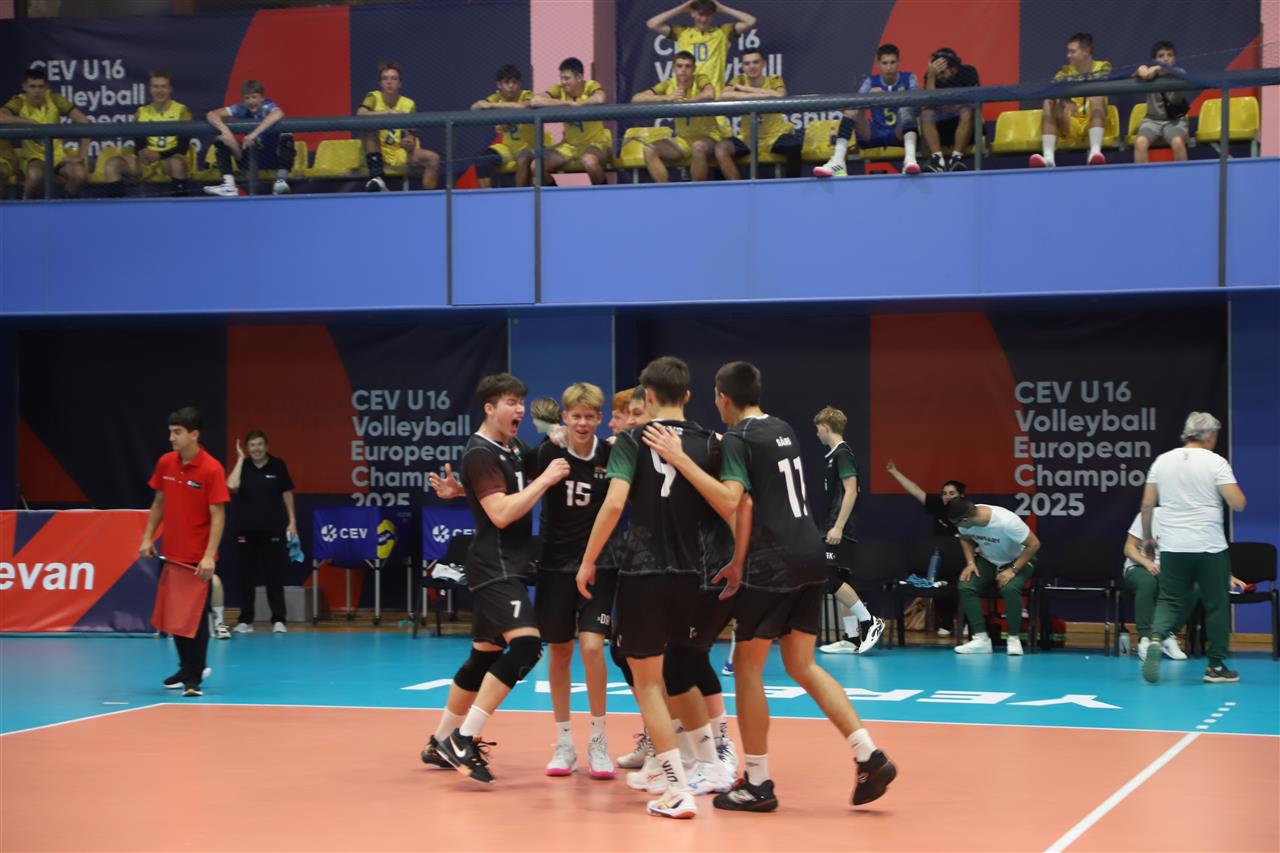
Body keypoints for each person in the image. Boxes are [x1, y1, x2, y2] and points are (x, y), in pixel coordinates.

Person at [644, 362, 897, 813]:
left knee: (746, 667)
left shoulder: (738, 438)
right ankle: (868, 754)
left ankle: (758, 782)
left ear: (723, 397)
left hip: (774, 561)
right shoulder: (782, 428)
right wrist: (739, 561)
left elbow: (732, 500)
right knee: (802, 665)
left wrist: (680, 457)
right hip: (809, 553)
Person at [576, 356, 734, 819]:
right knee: (682, 671)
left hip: (645, 573)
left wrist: (587, 560)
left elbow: (614, 504)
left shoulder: (631, 440)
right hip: (694, 574)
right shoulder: (710, 442)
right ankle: (710, 765)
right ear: (687, 395)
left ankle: (676, 788)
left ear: (646, 397)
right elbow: (730, 505)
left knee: (648, 683)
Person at [419, 373, 570, 784]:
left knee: (484, 657)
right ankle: (464, 739)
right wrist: (546, 479)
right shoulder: (479, 453)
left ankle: (439, 741)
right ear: (489, 408)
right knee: (527, 646)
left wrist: (555, 437)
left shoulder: (513, 447)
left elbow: (514, 477)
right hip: (495, 565)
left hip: (508, 563)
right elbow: (501, 513)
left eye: (520, 402)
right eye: (509, 402)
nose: (519, 409)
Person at [531, 383, 617, 779]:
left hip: (599, 565)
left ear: (599, 418)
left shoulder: (611, 454)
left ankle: (598, 740)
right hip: (554, 566)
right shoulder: (548, 452)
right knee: (560, 651)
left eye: (589, 416)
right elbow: (511, 481)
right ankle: (564, 742)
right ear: (565, 417)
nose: (582, 423)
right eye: (576, 416)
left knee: (593, 646)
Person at [1140, 412, 1247, 685]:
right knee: (1216, 604)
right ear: (1209, 436)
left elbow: (1147, 504)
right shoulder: (1216, 462)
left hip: (1173, 546)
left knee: (1169, 599)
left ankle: (1155, 638)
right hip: (1209, 546)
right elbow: (1238, 503)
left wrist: (1149, 538)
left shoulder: (1162, 461)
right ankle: (1215, 667)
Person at [138, 407, 230, 697]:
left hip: (197, 558)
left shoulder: (211, 469)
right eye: (171, 432)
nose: (172, 437)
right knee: (175, 616)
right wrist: (147, 537)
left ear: (194, 434)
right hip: (171, 554)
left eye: (177, 432)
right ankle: (185, 668)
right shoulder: (166, 463)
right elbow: (159, 503)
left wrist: (209, 555)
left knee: (195, 620)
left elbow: (218, 515)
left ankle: (194, 678)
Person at [812, 407, 884, 655]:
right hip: (832, 526)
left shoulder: (843, 454)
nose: (817, 434)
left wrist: (838, 526)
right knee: (841, 581)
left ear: (825, 427)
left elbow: (851, 491)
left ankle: (869, 621)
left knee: (828, 578)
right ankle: (852, 638)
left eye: (818, 429)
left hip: (840, 528)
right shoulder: (833, 456)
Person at [945, 498, 1040, 655]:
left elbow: (1034, 544)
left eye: (956, 523)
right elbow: (964, 538)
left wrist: (1012, 570)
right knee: (966, 586)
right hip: (989, 559)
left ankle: (1013, 639)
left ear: (965, 520)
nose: (956, 526)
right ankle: (981, 639)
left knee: (1009, 588)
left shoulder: (1007, 522)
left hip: (1019, 560)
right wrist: (970, 562)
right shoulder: (965, 519)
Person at [225, 430, 297, 633]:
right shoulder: (244, 466)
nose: (256, 449)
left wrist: (292, 522)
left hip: (273, 530)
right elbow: (231, 485)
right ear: (247, 448)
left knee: (274, 576)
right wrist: (240, 459)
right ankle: (245, 621)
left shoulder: (278, 465)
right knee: (246, 577)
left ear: (266, 446)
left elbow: (287, 494)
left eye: (259, 444)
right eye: (252, 445)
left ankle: (279, 620)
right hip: (245, 531)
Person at [815, 44, 920, 178]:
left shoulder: (909, 78)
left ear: (899, 63)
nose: (889, 67)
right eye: (885, 63)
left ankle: (910, 160)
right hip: (873, 134)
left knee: (907, 108)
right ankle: (838, 161)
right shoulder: (871, 82)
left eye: (892, 62)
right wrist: (869, 98)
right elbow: (855, 105)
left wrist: (894, 98)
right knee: (852, 111)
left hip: (899, 133)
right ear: (878, 64)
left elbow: (918, 108)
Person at [885, 460, 966, 633]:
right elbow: (916, 491)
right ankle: (946, 623)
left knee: (963, 585)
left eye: (952, 493)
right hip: (942, 560)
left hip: (964, 561)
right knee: (939, 580)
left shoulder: (970, 512)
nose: (947, 496)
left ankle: (966, 623)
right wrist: (894, 472)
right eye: (944, 493)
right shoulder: (938, 506)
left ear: (961, 496)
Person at [0, 67, 91, 199]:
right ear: (24, 87)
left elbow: (84, 122)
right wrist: (28, 122)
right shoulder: (19, 102)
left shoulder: (55, 99)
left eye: (41, 86)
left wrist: (82, 156)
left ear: (46, 87)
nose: (37, 91)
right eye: (32, 86)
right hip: (34, 157)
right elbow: (1, 117)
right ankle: (26, 205)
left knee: (79, 175)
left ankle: (65, 203)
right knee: (34, 176)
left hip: (58, 157)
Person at [632, 51, 722, 183]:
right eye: (679, 66)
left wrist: (688, 102)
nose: (683, 70)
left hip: (709, 136)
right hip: (683, 140)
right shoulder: (669, 84)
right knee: (649, 150)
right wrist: (667, 98)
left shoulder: (700, 79)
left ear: (694, 69)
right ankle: (666, 192)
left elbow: (710, 94)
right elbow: (636, 99)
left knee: (698, 147)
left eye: (688, 66)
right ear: (673, 68)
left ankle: (697, 192)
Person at [101, 70, 191, 197]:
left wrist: (159, 155)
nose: (159, 91)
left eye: (163, 87)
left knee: (178, 163)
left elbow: (183, 147)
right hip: (146, 160)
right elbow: (139, 144)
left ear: (170, 89)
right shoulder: (141, 112)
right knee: (112, 164)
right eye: (155, 86)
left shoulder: (182, 111)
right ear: (150, 89)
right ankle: (117, 207)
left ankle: (181, 206)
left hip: (169, 159)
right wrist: (143, 152)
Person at [716, 49, 802, 180]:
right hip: (747, 139)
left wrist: (746, 89)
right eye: (747, 63)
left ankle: (792, 187)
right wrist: (760, 95)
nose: (751, 66)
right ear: (743, 66)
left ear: (763, 64)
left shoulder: (773, 79)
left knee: (794, 146)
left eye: (756, 62)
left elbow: (780, 95)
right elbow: (724, 95)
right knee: (720, 149)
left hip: (774, 136)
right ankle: (738, 188)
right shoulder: (738, 79)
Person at [1031, 32, 1112, 168]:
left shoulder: (1103, 67)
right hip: (1070, 122)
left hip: (1093, 121)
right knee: (1048, 101)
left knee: (1096, 95)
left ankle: (1095, 152)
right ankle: (1048, 158)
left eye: (1072, 51)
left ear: (1086, 51)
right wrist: (1066, 100)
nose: (1068, 56)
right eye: (1068, 52)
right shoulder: (1065, 72)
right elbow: (1052, 88)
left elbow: (1101, 83)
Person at [204, 79, 295, 197]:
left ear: (262, 98)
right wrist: (226, 133)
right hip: (247, 158)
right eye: (247, 98)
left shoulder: (267, 106)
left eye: (254, 97)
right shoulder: (241, 108)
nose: (251, 101)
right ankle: (229, 185)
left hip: (272, 158)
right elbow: (211, 114)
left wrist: (253, 134)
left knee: (287, 133)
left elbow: (278, 113)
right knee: (221, 138)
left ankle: (281, 181)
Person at [645, 0, 757, 95]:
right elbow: (652, 24)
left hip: (714, 96)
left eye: (708, 15)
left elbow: (750, 21)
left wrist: (722, 8)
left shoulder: (722, 32)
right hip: (688, 96)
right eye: (700, 14)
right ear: (692, 13)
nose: (704, 19)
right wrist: (683, 8)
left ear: (712, 15)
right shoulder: (682, 33)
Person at [359, 62, 440, 192]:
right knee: (369, 129)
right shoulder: (373, 97)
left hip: (400, 151)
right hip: (379, 151)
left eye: (393, 78)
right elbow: (360, 114)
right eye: (385, 79)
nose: (389, 82)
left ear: (400, 83)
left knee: (433, 158)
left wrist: (409, 142)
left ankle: (427, 197)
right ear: (380, 83)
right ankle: (377, 179)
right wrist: (387, 113)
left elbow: (411, 132)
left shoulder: (409, 104)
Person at [1122, 507, 1188, 662]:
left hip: (1170, 571)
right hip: (1139, 566)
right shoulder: (1149, 516)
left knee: (1194, 587)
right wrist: (1146, 562)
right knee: (1147, 582)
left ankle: (1167, 636)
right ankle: (1145, 638)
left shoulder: (1190, 521)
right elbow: (1129, 547)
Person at [531, 58, 611, 185]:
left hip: (595, 143)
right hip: (569, 146)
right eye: (561, 78)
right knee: (536, 166)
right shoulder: (559, 89)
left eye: (567, 78)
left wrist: (579, 106)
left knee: (589, 162)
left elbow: (600, 98)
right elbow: (535, 101)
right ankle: (555, 194)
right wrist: (565, 103)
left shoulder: (590, 85)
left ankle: (602, 194)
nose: (563, 82)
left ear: (579, 77)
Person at [469, 65, 535, 188]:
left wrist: (492, 106)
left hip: (529, 147)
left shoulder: (526, 95)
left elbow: (523, 106)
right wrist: (486, 104)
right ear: (499, 85)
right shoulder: (496, 97)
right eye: (507, 82)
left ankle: (518, 195)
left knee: (523, 157)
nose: (511, 86)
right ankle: (487, 197)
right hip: (507, 149)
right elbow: (474, 108)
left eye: (514, 82)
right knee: (483, 159)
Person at [920, 48, 981, 173]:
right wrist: (931, 76)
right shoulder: (931, 76)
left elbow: (973, 101)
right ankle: (937, 160)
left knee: (966, 110)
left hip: (966, 127)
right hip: (940, 128)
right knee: (926, 113)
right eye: (937, 73)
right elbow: (928, 103)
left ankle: (956, 159)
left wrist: (941, 104)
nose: (939, 76)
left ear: (953, 69)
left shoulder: (968, 72)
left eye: (942, 73)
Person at [1132, 41, 1191, 164]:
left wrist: (1161, 69)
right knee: (1140, 143)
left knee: (1177, 143)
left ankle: (1183, 175)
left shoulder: (1179, 72)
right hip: (1151, 120)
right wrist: (1144, 71)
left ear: (1174, 58)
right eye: (1161, 56)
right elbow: (1139, 72)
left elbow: (1175, 100)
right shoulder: (1149, 73)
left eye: (1170, 55)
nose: (1166, 59)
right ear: (1154, 60)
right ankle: (1142, 176)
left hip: (1174, 120)